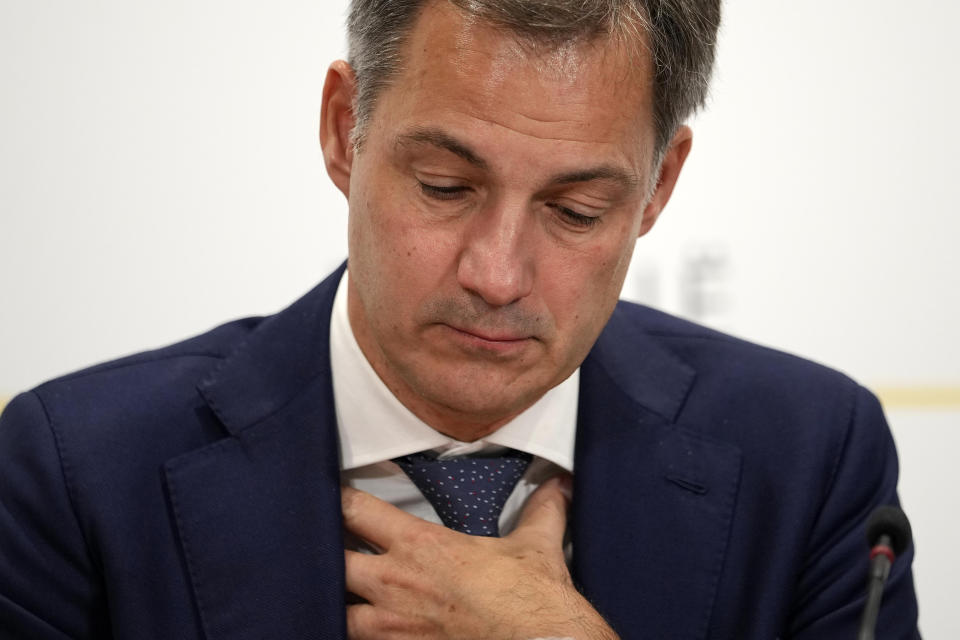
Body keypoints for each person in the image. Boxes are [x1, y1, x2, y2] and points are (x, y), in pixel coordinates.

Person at [0, 0, 920, 638]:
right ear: (341, 127)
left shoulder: (812, 458)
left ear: (658, 187)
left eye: (575, 211)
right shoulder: (75, 473)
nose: (496, 273)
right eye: (445, 187)